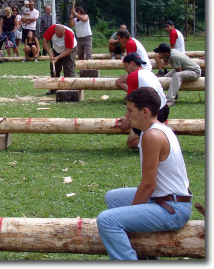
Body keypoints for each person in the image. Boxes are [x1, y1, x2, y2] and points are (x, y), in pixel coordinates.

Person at [97, 87, 192, 260]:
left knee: (107, 220)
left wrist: (130, 214)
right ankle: (148, 257)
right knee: (112, 197)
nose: (126, 115)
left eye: (130, 110)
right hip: (166, 199)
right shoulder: (157, 129)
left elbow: (148, 185)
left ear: (145, 112)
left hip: (173, 209)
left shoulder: (152, 136)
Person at [115, 53, 169, 149]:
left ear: (132, 63)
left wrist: (127, 118)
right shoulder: (148, 72)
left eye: (126, 66)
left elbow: (130, 100)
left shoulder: (133, 76)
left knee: (132, 142)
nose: (126, 70)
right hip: (164, 109)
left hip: (155, 113)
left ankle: (160, 143)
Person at [42, 24, 78, 95]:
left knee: (68, 68)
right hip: (56, 49)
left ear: (64, 32)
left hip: (70, 49)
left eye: (61, 36)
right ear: (55, 31)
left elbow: (68, 50)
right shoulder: (51, 30)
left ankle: (71, 90)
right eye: (58, 36)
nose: (59, 37)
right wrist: (49, 52)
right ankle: (53, 89)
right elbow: (44, 41)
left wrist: (58, 57)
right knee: (54, 69)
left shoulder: (69, 34)